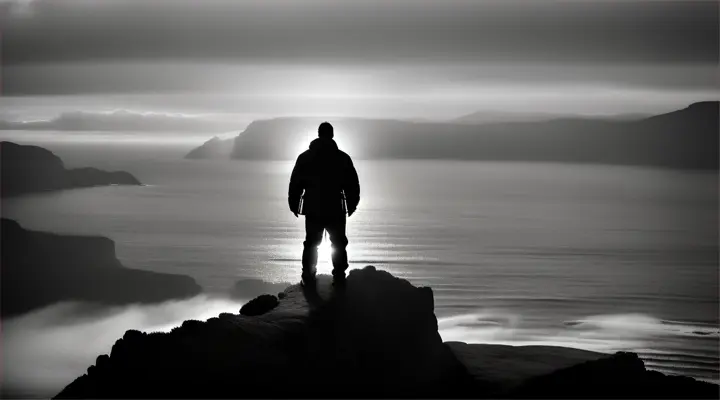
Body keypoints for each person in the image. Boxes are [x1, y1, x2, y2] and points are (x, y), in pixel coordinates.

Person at [288, 122, 360, 287]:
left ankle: (308, 275)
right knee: (338, 243)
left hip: (313, 207)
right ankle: (339, 276)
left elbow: (296, 182)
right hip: (335, 207)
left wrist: (294, 203)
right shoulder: (342, 158)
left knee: (312, 242)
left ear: (319, 134)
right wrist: (352, 204)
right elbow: (352, 184)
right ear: (332, 135)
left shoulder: (305, 157)